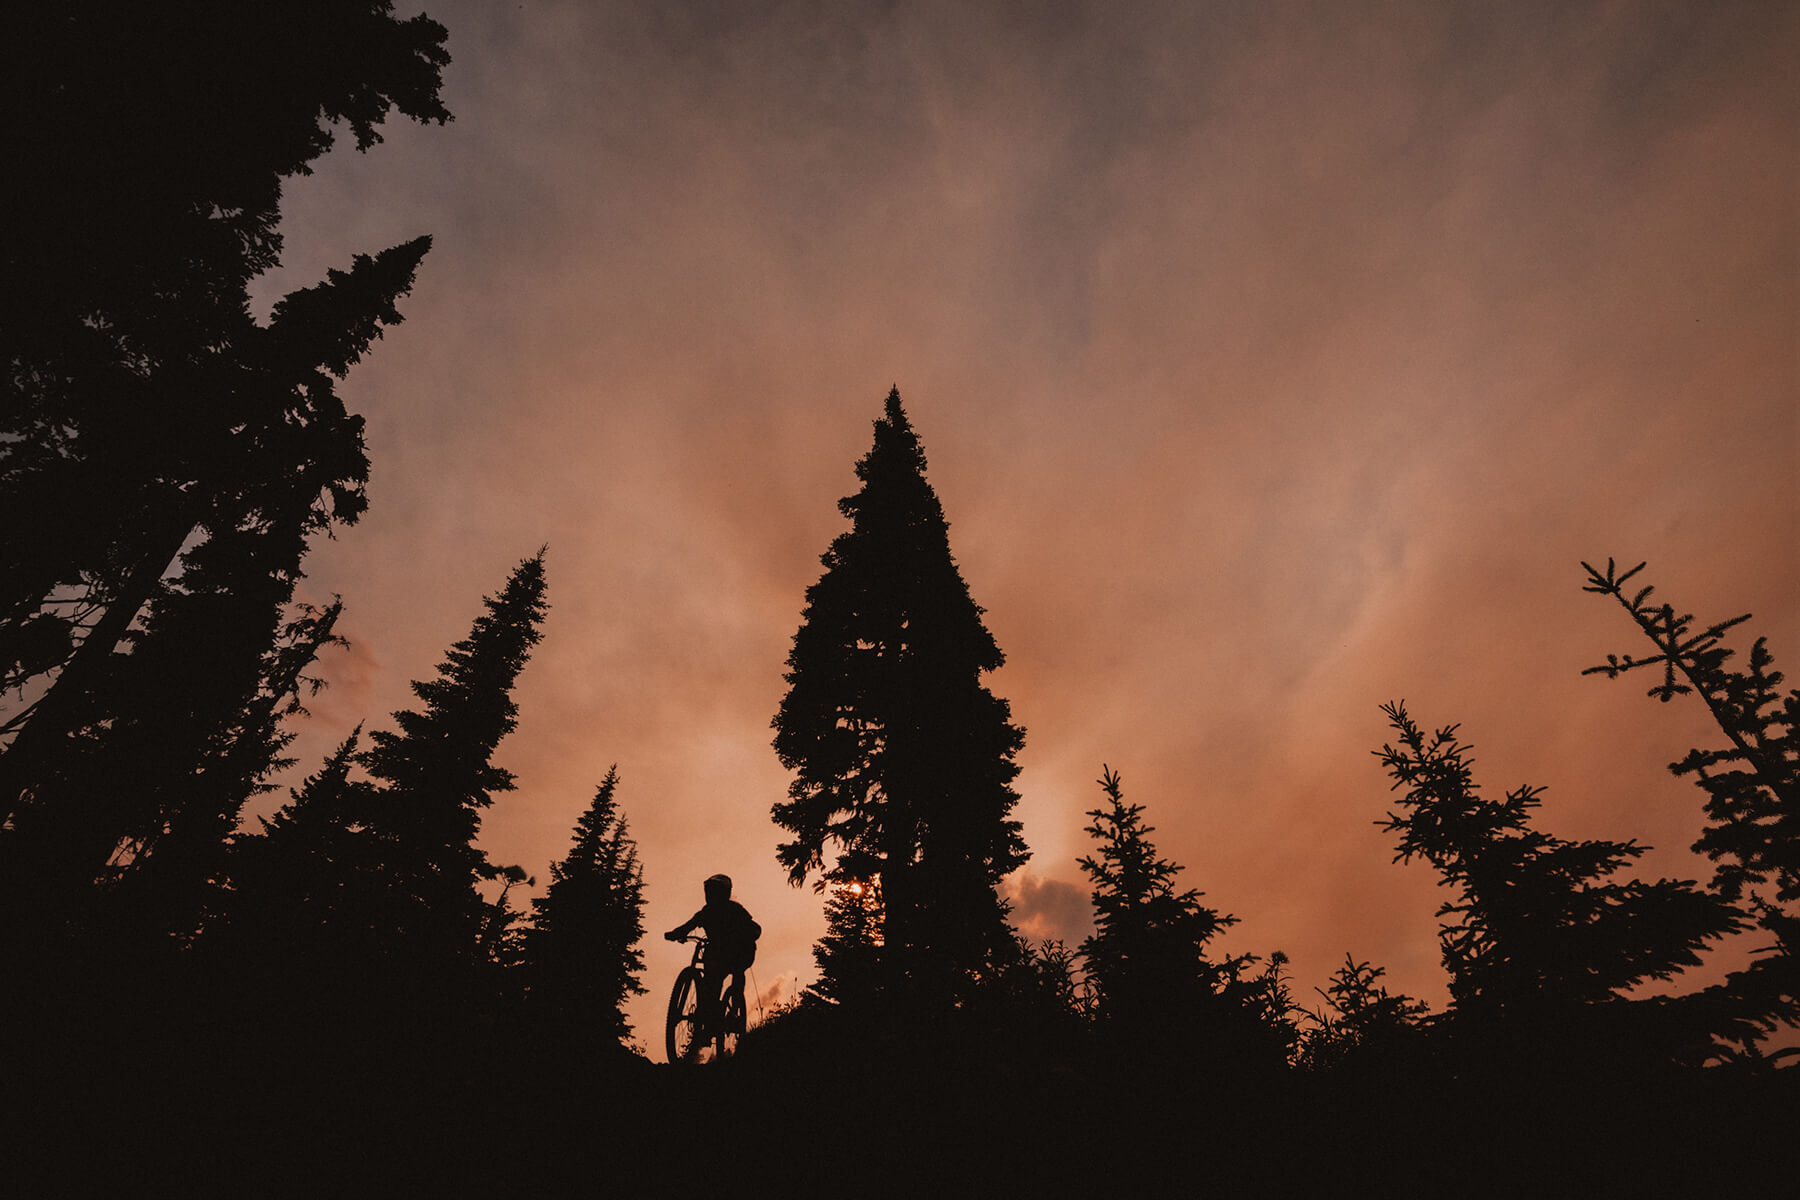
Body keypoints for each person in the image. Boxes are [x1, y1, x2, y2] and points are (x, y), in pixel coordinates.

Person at [665, 874, 761, 1038]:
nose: (710, 896)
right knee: (712, 979)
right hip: (718, 953)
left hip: (740, 952)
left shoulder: (735, 910)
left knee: (737, 971)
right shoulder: (706, 912)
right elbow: (689, 925)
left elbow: (756, 929)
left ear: (723, 893)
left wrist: (742, 936)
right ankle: (710, 1020)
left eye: (714, 892)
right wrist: (676, 933)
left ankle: (734, 1013)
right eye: (709, 891)